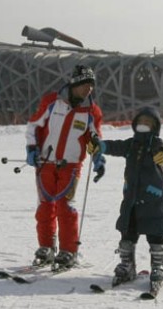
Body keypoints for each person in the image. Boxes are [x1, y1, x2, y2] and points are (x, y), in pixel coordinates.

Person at [25, 64, 104, 270]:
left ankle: (69, 250)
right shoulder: (52, 102)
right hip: (45, 164)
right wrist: (32, 148)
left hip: (70, 166)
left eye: (91, 86)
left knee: (65, 207)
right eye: (85, 85)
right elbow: (34, 125)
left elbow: (94, 138)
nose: (88, 89)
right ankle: (46, 247)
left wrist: (98, 157)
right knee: (45, 207)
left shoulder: (91, 111)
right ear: (74, 83)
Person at [89, 107, 163, 287]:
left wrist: (162, 155)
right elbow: (115, 146)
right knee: (128, 232)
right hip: (131, 198)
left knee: (156, 231)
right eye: (141, 121)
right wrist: (100, 146)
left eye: (148, 122)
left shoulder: (155, 143)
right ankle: (127, 265)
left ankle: (158, 266)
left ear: (155, 126)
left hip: (152, 198)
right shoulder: (130, 144)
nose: (144, 125)